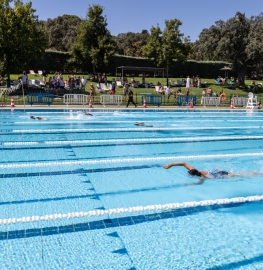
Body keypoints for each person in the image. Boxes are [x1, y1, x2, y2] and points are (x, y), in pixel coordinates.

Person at [163, 161, 259, 185]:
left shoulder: (203, 177)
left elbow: (199, 183)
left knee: (241, 175)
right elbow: (183, 163)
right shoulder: (198, 171)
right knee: (239, 174)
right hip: (220, 172)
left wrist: (190, 184)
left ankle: (258, 174)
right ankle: (255, 173)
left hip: (221, 175)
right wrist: (170, 165)